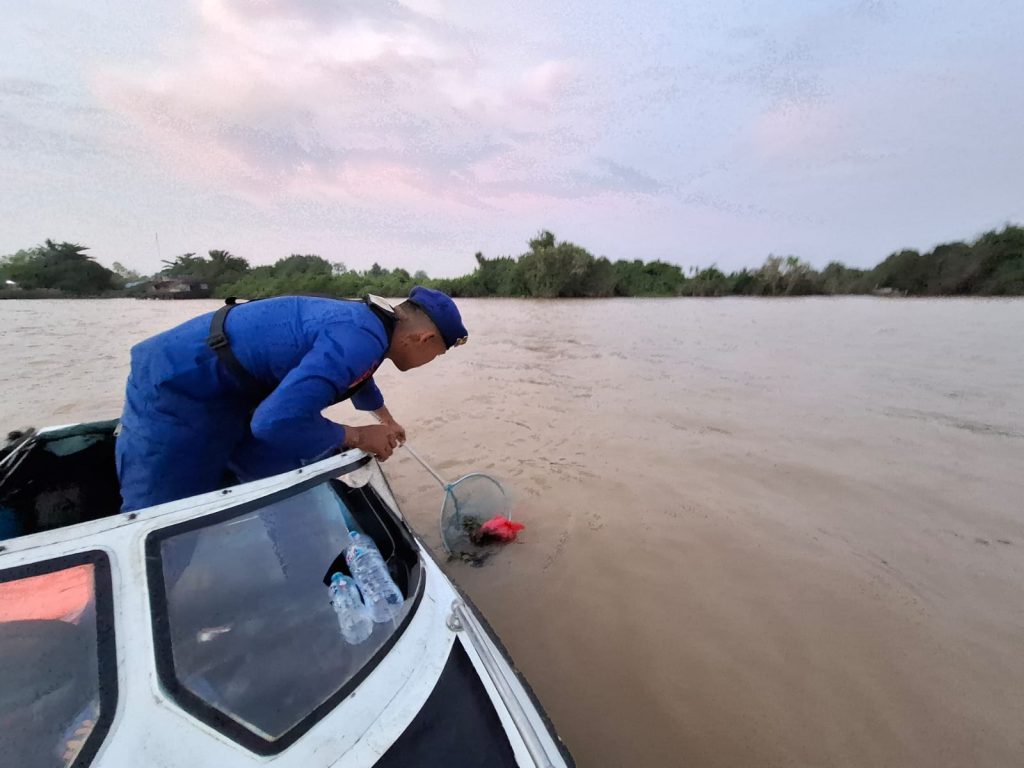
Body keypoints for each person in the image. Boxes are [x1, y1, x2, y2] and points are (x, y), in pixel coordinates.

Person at [115, 286, 467, 512]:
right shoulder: (360, 338)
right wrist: (359, 435)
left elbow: (358, 376)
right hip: (176, 384)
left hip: (236, 394)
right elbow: (274, 421)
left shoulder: (373, 327)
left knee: (285, 487)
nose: (429, 361)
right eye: (436, 354)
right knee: (162, 517)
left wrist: (385, 420)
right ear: (423, 339)